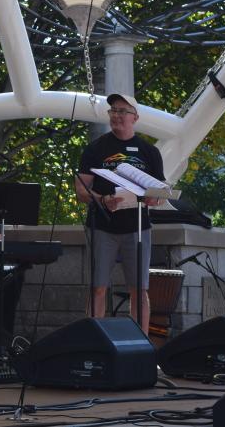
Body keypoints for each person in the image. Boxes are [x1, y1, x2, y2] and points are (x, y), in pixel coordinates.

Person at [75, 93, 163, 334]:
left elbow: (158, 194)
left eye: (122, 111)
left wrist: (151, 197)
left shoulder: (149, 152)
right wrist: (103, 200)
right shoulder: (96, 148)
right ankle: (94, 343)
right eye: (112, 111)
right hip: (103, 226)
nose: (116, 115)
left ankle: (142, 347)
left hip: (137, 227)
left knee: (139, 289)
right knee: (98, 287)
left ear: (135, 117)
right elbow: (81, 189)